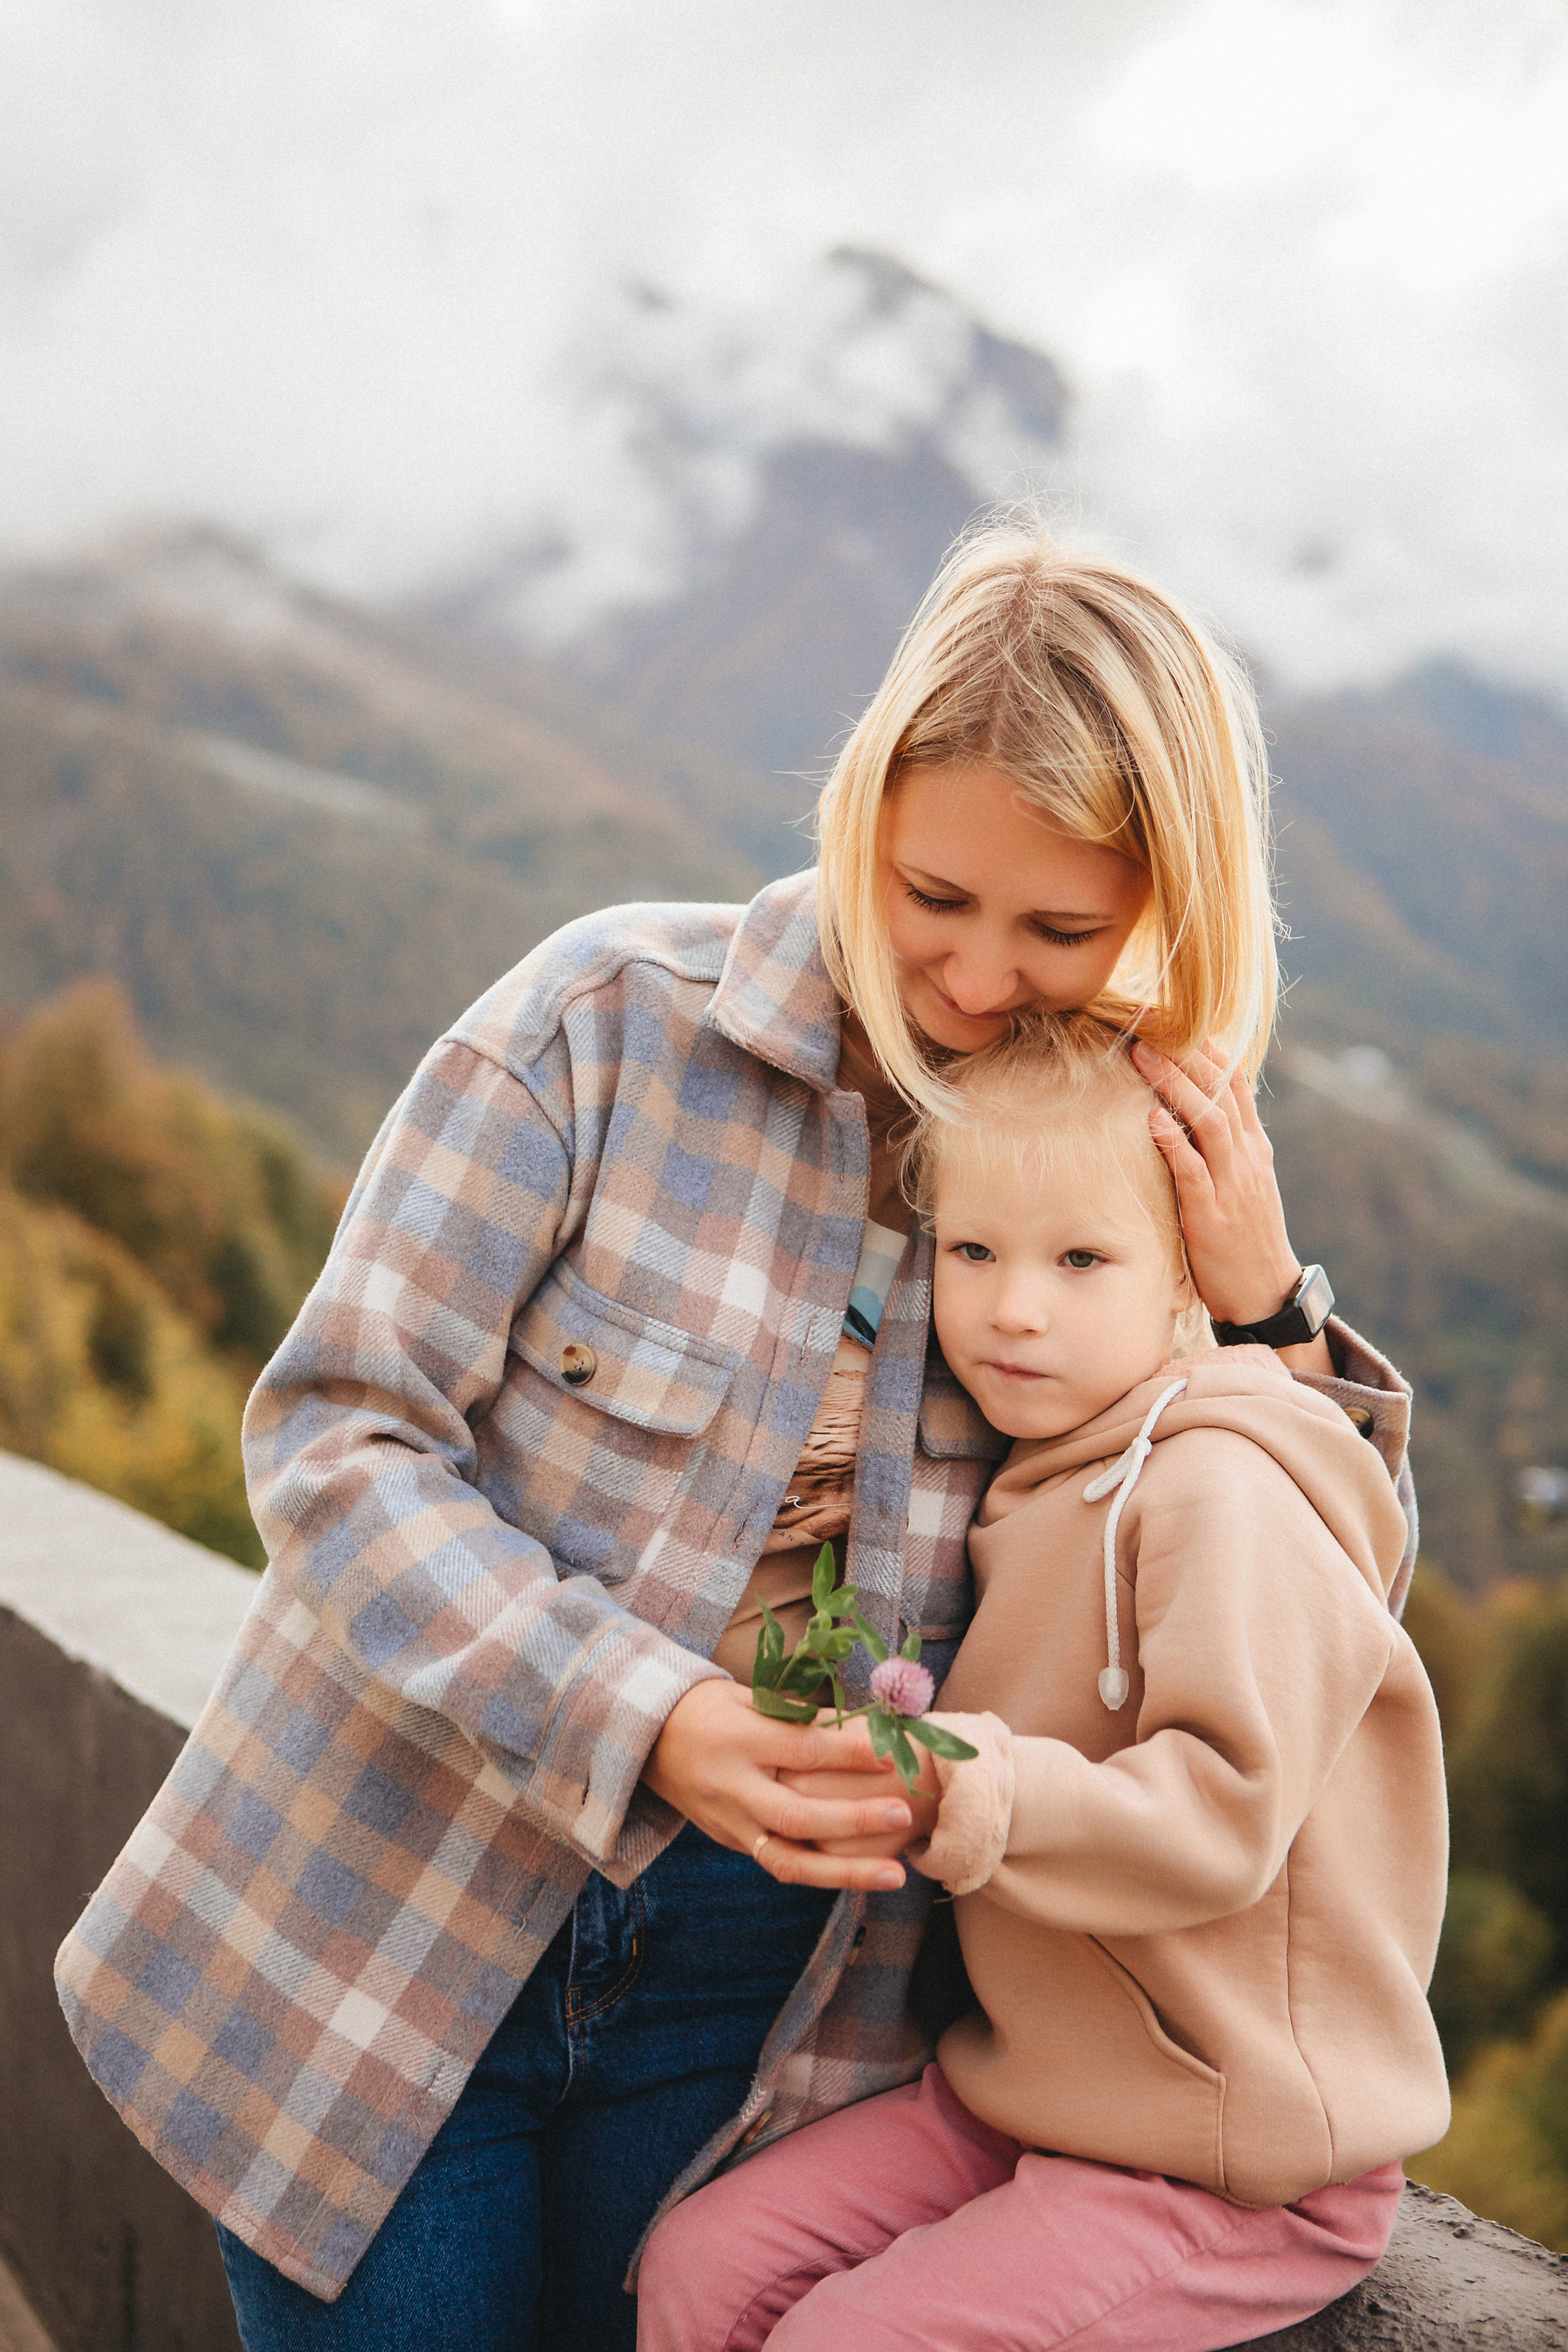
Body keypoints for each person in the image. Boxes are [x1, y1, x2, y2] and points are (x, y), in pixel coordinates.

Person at [55, 527, 1417, 2352]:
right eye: (933, 893)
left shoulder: (1108, 1164)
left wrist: (1260, 1309)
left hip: (769, 1996)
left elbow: (1313, 1590)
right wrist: (655, 1717)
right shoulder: (597, 1028)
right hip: (396, 1911)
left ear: (1172, 908)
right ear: (858, 807)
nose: (974, 978)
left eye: (1060, 930)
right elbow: (336, 1440)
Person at [636, 1018, 1448, 2352]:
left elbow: (1223, 1815)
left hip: (1230, 2147)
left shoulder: (1217, 1482)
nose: (1014, 1306)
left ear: (1183, 1271)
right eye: (972, 1252)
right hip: (1031, 2091)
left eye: (1080, 1259)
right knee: (702, 2265)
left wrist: (955, 1788)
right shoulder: (1039, 1466)